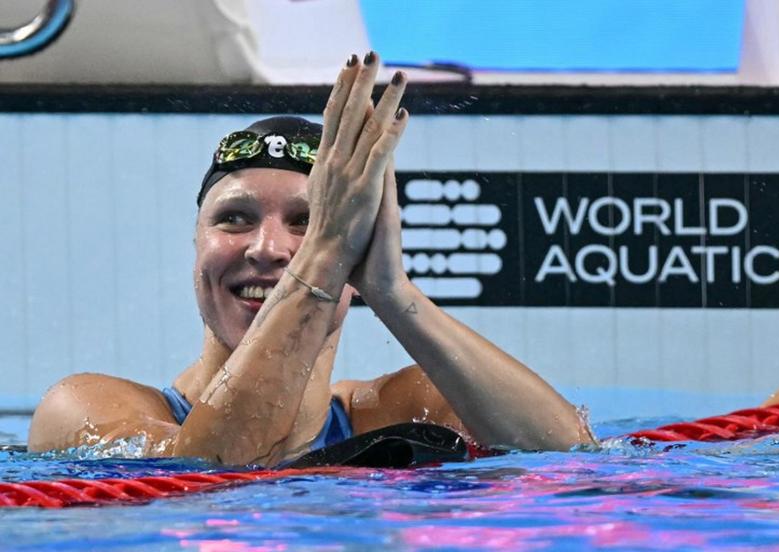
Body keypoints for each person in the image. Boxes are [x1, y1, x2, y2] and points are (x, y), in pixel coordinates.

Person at [27, 53, 593, 467]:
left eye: (306, 221)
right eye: (235, 218)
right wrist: (324, 254)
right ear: (196, 244)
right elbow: (212, 473)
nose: (267, 248)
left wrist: (393, 291)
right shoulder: (89, 408)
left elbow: (574, 460)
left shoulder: (397, 408)